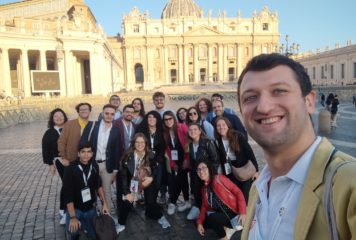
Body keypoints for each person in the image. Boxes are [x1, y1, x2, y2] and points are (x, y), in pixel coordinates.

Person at [237, 53, 356, 240]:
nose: (264, 107)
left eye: (279, 91)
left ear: (309, 101)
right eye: (250, 97)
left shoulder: (350, 185)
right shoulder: (256, 189)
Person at [116, 133, 171, 232]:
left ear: (145, 144)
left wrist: (152, 178)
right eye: (137, 142)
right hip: (133, 182)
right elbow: (123, 176)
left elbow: (155, 169)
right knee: (127, 202)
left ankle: (160, 217)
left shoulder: (150, 155)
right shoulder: (127, 156)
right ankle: (121, 223)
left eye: (142, 142)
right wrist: (126, 192)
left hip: (147, 181)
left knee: (151, 202)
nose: (139, 144)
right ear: (133, 143)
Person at [62, 142, 109, 239]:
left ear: (92, 153)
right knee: (73, 231)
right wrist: (72, 217)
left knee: (96, 236)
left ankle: (85, 226)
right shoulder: (70, 169)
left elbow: (99, 186)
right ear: (78, 153)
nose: (86, 154)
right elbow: (67, 195)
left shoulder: (94, 166)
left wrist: (104, 204)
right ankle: (79, 226)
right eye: (83, 152)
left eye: (89, 152)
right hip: (76, 210)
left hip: (91, 209)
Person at [81, 104, 121, 212]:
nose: (109, 116)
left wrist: (115, 170)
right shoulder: (92, 125)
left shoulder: (116, 131)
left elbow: (117, 151)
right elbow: (82, 143)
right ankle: (91, 213)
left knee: (106, 190)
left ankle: (106, 214)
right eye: (107, 113)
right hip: (92, 163)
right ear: (103, 113)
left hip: (106, 165)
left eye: (112, 114)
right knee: (90, 189)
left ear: (114, 115)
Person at [196, 160, 246, 240]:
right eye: (198, 169)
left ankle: (224, 237)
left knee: (212, 218)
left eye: (204, 168)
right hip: (223, 214)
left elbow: (238, 192)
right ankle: (226, 227)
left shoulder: (219, 179)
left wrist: (243, 212)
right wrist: (199, 223)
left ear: (209, 169)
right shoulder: (204, 189)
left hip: (235, 214)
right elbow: (204, 206)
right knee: (200, 224)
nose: (201, 171)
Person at [214, 117, 259, 201]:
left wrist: (256, 170)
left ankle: (246, 212)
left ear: (228, 126)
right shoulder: (217, 141)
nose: (221, 127)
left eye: (223, 125)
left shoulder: (237, 136)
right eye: (218, 126)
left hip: (244, 167)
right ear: (216, 128)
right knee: (235, 194)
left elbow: (249, 152)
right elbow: (221, 158)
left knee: (245, 195)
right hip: (230, 170)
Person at [185, 123, 220, 220]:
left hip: (209, 174)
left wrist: (209, 175)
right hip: (197, 174)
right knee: (197, 190)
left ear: (200, 131)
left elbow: (215, 160)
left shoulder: (208, 142)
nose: (193, 132)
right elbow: (193, 163)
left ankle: (211, 208)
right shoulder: (191, 145)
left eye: (195, 129)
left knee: (209, 192)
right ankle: (198, 207)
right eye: (190, 130)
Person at [42, 108, 68, 225]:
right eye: (55, 116)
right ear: (52, 119)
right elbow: (45, 149)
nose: (58, 118)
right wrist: (50, 164)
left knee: (73, 183)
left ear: (64, 117)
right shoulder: (49, 133)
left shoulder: (69, 128)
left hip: (72, 159)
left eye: (60, 115)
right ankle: (63, 209)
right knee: (67, 183)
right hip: (59, 161)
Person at [162, 111, 191, 215]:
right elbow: (168, 150)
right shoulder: (165, 133)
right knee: (182, 179)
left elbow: (189, 141)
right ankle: (187, 201)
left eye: (170, 119)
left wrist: (187, 159)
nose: (168, 121)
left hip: (186, 158)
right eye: (165, 119)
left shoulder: (182, 127)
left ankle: (173, 202)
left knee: (179, 179)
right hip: (176, 160)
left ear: (174, 119)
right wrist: (173, 164)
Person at [136, 111, 167, 204]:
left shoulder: (162, 131)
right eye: (149, 117)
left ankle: (153, 199)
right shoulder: (141, 130)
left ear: (157, 119)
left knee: (157, 181)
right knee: (144, 180)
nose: (152, 119)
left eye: (154, 117)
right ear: (146, 119)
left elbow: (163, 148)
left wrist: (158, 160)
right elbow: (138, 146)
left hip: (158, 160)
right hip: (144, 160)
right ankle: (147, 199)